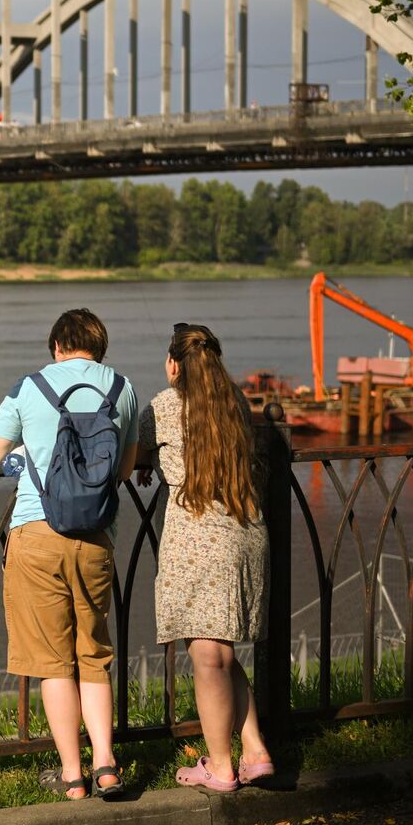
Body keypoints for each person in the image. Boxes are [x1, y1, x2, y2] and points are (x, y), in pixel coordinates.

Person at [0, 309, 138, 800]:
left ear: (58, 346)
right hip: (95, 537)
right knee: (93, 654)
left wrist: (22, 457)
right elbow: (125, 469)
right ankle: (106, 766)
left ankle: (73, 777)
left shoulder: (31, 386)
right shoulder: (122, 389)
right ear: (99, 346)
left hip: (36, 531)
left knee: (52, 661)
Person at [144, 323, 273, 792]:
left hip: (198, 543)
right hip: (246, 534)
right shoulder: (236, 403)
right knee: (223, 652)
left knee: (208, 658)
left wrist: (147, 464)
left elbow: (135, 455)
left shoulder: (162, 405)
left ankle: (220, 767)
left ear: (174, 364)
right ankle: (255, 752)